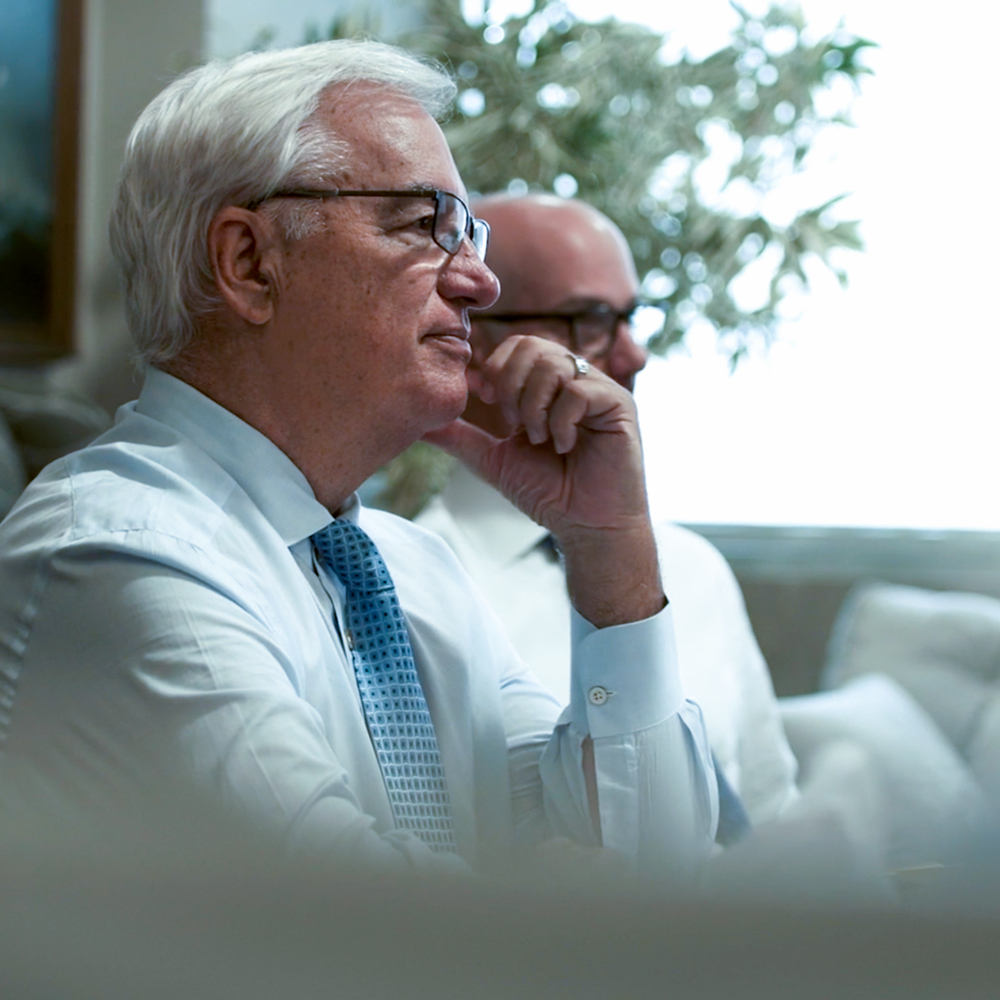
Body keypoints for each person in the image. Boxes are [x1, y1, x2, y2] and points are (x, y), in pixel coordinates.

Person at [0, 41, 716, 880]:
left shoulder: (414, 572)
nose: (482, 284)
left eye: (469, 234)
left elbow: (662, 879)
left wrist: (611, 546)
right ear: (249, 263)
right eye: (426, 226)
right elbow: (368, 940)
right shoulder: (119, 555)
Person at [417, 193, 799, 827]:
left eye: (631, 316)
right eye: (590, 319)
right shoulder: (417, 592)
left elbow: (771, 814)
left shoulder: (692, 569)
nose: (635, 355)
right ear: (471, 338)